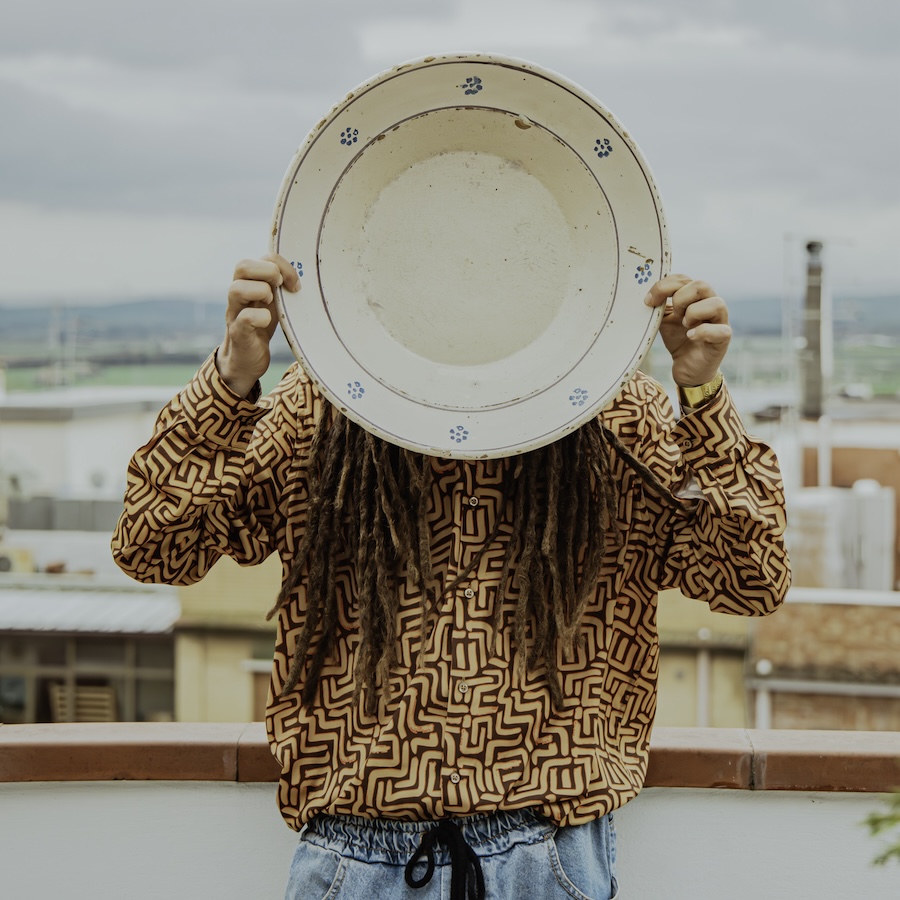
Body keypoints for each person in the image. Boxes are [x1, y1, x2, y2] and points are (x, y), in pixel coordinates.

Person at [112, 255, 790, 900]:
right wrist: (232, 377)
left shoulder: (620, 414)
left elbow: (752, 577)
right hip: (362, 847)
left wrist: (702, 391)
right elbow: (152, 547)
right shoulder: (317, 410)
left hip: (545, 847)